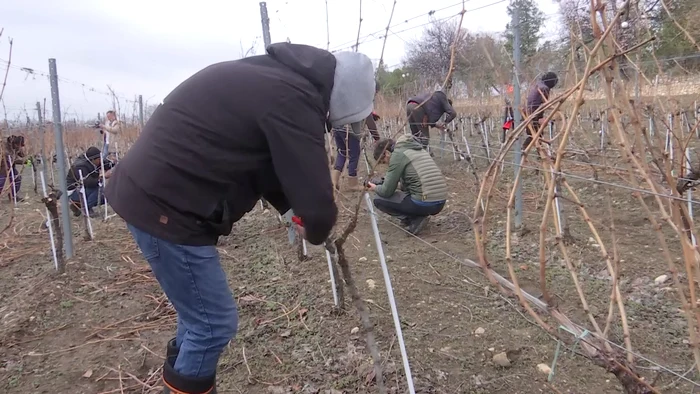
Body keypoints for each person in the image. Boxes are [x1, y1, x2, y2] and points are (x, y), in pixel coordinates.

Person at [105, 42, 375, 394]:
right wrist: (318, 226)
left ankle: (181, 378)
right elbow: (316, 196)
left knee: (197, 318)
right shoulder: (292, 99)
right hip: (167, 207)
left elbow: (266, 163)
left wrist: (293, 211)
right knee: (213, 324)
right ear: (342, 99)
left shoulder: (273, 78)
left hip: (154, 193)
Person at [367, 135, 448, 235]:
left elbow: (386, 192)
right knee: (403, 195)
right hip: (440, 202)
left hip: (425, 203)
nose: (386, 164)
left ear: (387, 153)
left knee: (378, 199)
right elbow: (409, 185)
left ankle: (415, 218)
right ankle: (418, 215)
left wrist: (374, 187)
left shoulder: (398, 155)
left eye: (384, 162)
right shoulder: (415, 149)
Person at [331, 110, 381, 191]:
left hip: (337, 127)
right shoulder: (362, 102)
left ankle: (334, 181)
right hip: (350, 130)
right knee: (354, 154)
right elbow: (369, 121)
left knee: (342, 152)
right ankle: (353, 185)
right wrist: (377, 138)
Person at [67, 147, 113, 217]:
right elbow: (88, 183)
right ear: (93, 160)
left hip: (84, 189)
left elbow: (104, 164)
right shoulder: (80, 166)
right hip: (74, 192)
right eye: (99, 159)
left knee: (107, 196)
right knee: (100, 189)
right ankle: (85, 208)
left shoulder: (92, 160)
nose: (101, 161)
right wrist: (102, 176)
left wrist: (112, 163)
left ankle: (81, 205)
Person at [524, 71, 558, 149]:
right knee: (536, 134)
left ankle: (539, 153)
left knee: (535, 134)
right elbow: (545, 103)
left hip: (529, 111)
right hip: (534, 113)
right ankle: (525, 151)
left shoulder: (538, 85)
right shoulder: (544, 88)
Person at [0, 135, 26, 202]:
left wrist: (22, 151)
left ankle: (13, 196)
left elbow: (22, 154)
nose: (19, 147)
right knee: (1, 182)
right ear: (14, 143)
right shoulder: (4, 147)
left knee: (17, 179)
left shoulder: (16, 145)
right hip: (3, 166)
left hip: (11, 166)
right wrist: (23, 161)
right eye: (19, 145)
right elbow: (11, 159)